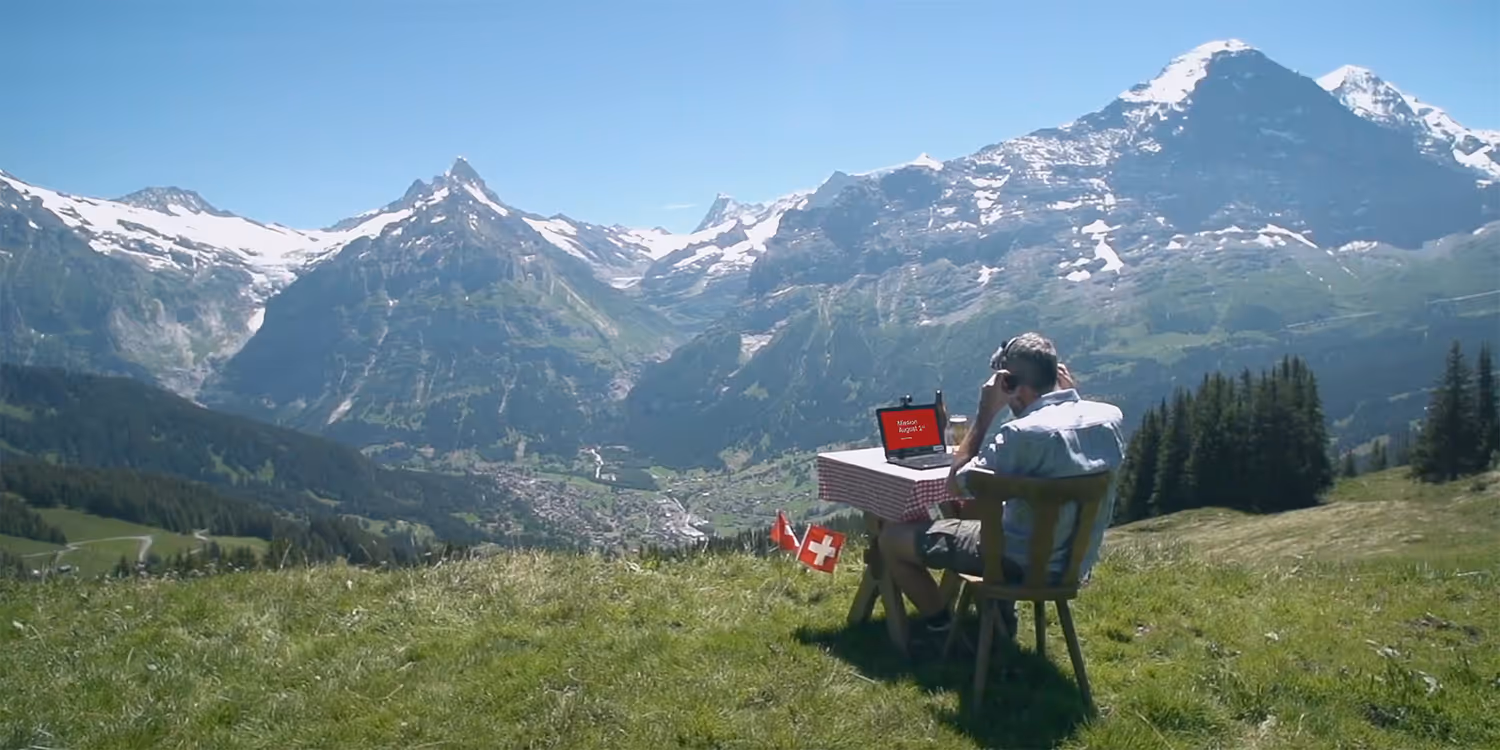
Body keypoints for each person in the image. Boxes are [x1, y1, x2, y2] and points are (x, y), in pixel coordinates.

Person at [877, 332, 1126, 642]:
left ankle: (941, 624)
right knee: (985, 515)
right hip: (1071, 565)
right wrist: (1071, 396)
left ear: (1009, 384)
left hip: (1017, 563)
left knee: (891, 538)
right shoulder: (1109, 418)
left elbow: (956, 485)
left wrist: (985, 414)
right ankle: (996, 626)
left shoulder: (1022, 434)